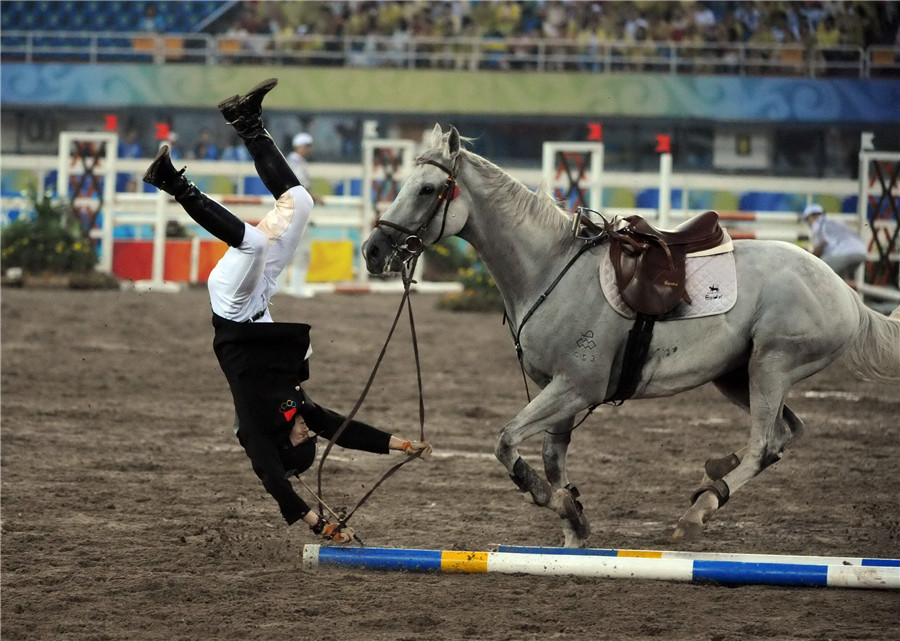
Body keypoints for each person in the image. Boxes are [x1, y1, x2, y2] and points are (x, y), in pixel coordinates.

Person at [142, 78, 431, 543]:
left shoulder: (258, 431)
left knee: (254, 242)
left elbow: (275, 482)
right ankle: (247, 121)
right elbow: (344, 429)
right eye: (307, 433)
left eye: (302, 438)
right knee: (299, 203)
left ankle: (170, 181)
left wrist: (315, 522)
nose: (305, 427)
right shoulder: (300, 410)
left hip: (232, 309)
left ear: (286, 445)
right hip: (259, 299)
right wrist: (400, 444)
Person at [286, 131, 322, 298]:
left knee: (285, 249)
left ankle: (280, 286)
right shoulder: (296, 163)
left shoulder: (292, 161)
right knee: (302, 249)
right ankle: (297, 287)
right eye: (306, 146)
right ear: (298, 146)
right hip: (297, 211)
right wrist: (316, 198)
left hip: (289, 211)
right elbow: (301, 187)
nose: (309, 149)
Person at [802, 203, 867, 279]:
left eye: (807, 219)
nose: (808, 223)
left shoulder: (818, 224)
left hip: (843, 253)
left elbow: (820, 247)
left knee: (819, 272)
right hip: (861, 253)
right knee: (839, 279)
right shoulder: (836, 222)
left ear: (813, 216)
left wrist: (807, 257)